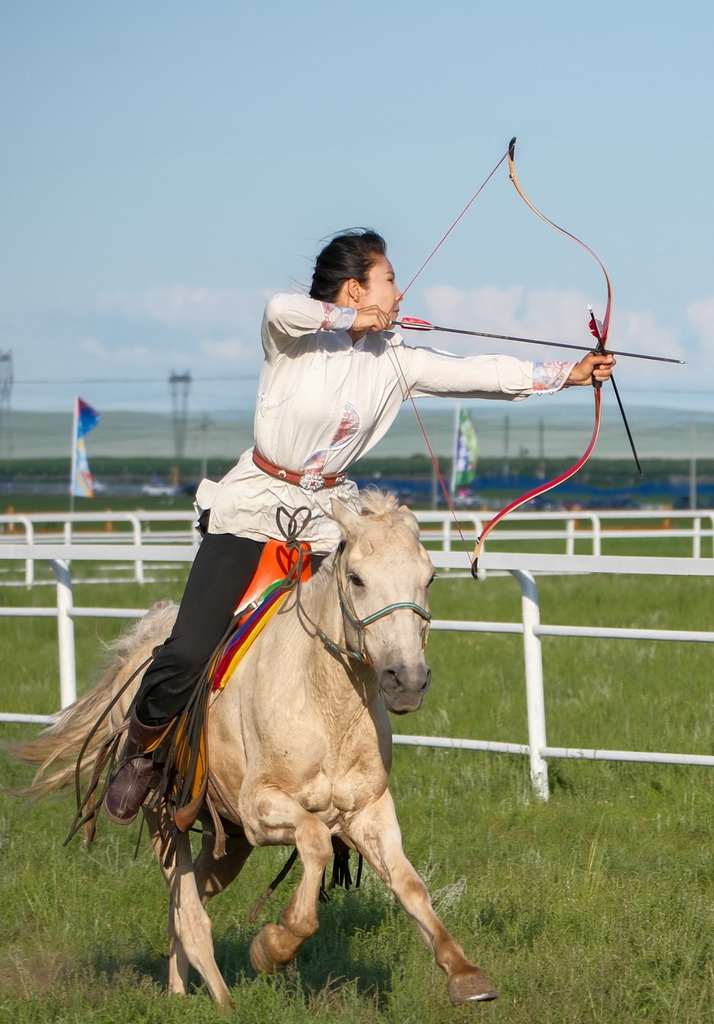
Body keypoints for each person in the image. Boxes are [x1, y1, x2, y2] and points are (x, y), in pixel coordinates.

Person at [104, 228, 615, 824]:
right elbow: (278, 305)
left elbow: (479, 371)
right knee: (190, 645)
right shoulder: (293, 338)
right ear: (355, 287)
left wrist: (570, 374)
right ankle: (143, 752)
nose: (399, 293)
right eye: (389, 280)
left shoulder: (398, 359)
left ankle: (341, 782)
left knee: (362, 639)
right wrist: (349, 319)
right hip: (254, 506)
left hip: (328, 519)